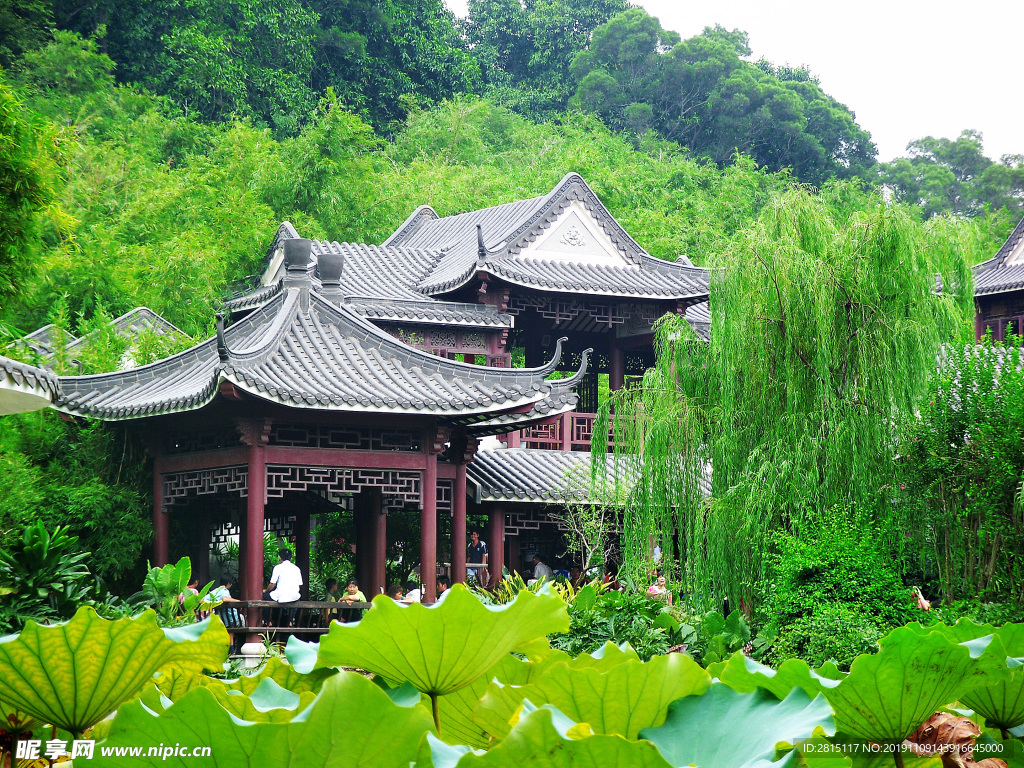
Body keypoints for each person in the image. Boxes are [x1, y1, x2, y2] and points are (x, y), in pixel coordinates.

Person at [263, 548, 302, 626]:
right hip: (294, 596)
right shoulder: (297, 569)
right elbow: (299, 585)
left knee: (264, 597)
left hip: (280, 595)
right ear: (291, 558)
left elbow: (272, 584)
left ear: (280, 557)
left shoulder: (278, 567)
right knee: (297, 599)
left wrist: (266, 591)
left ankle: (268, 620)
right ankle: (290, 620)